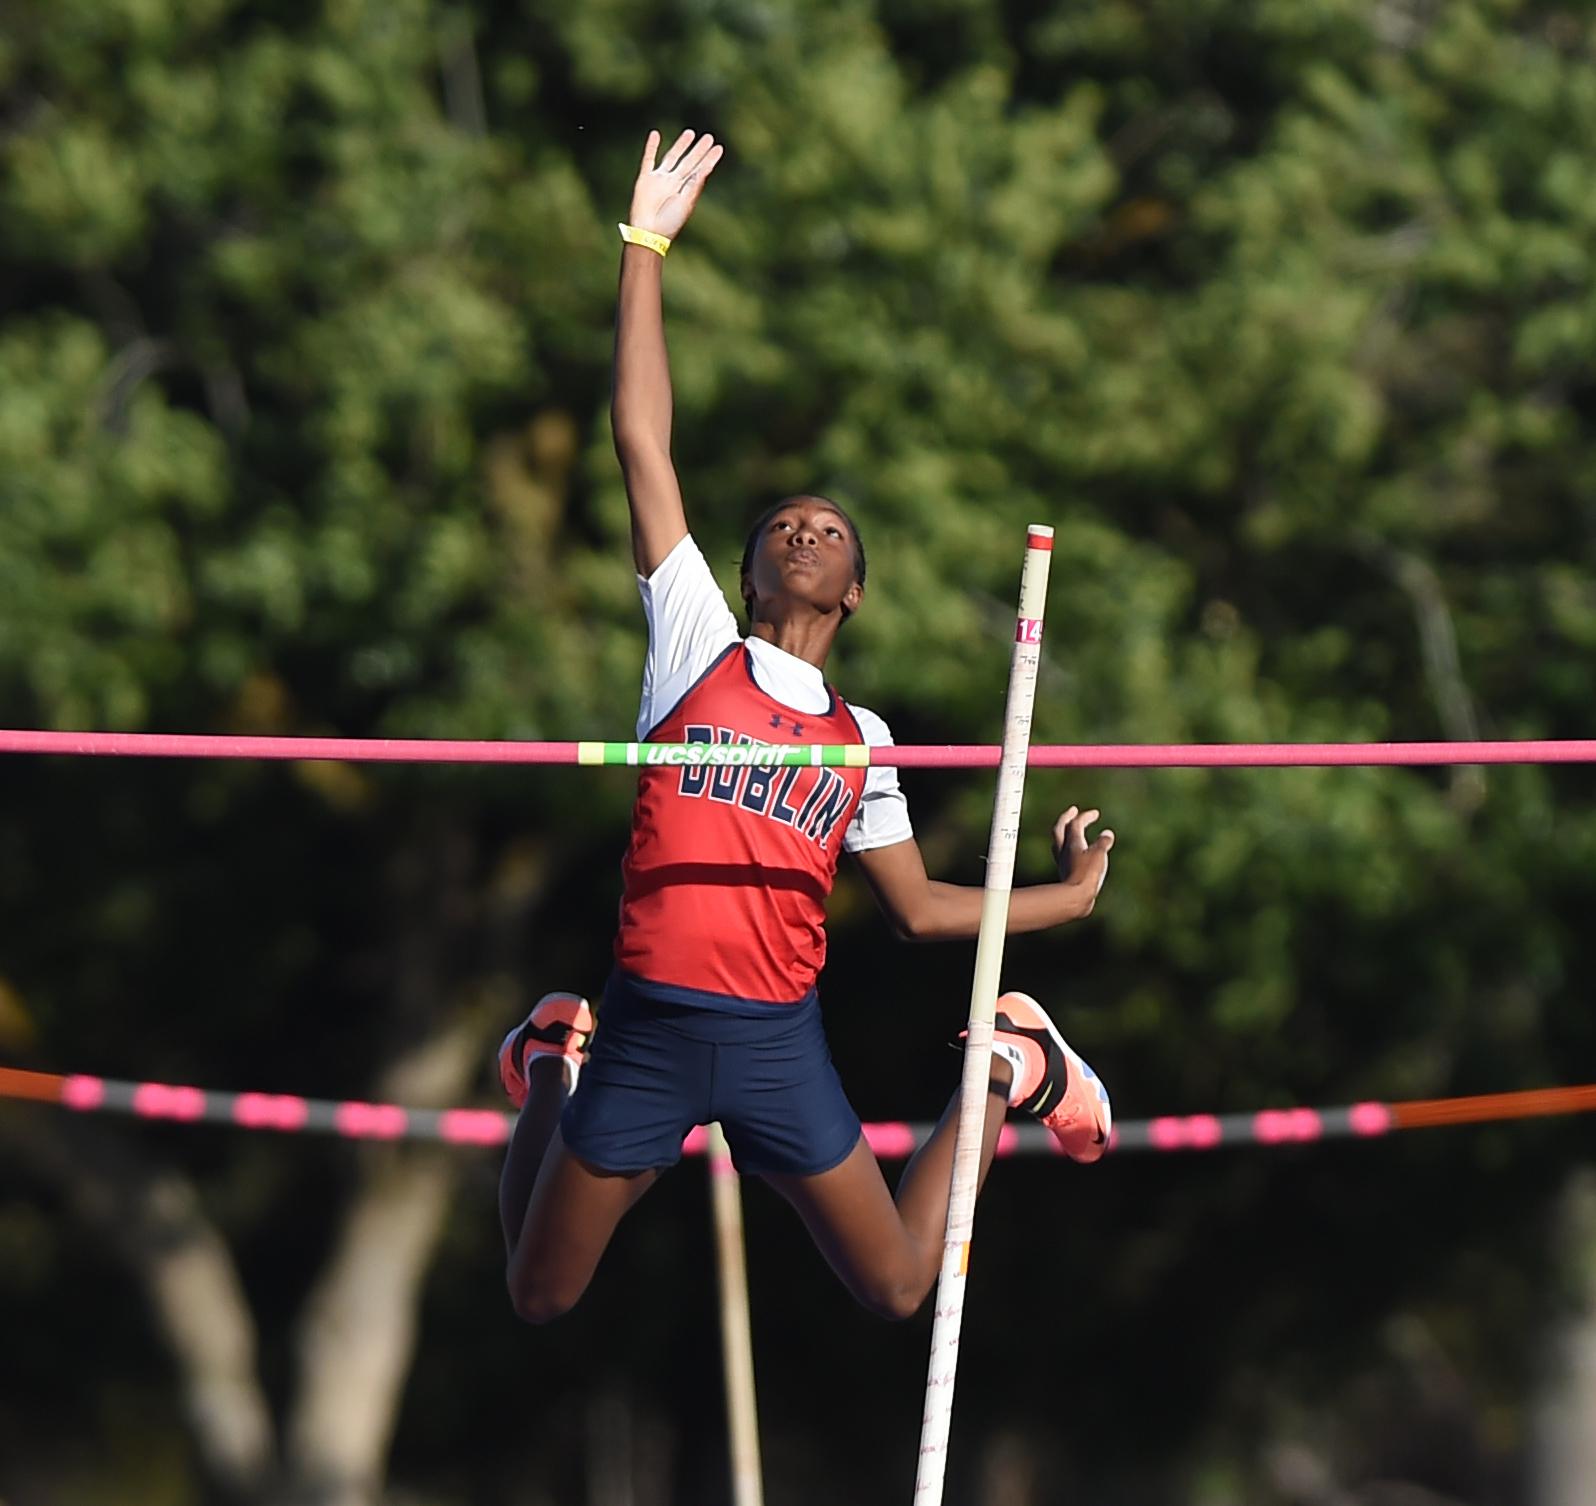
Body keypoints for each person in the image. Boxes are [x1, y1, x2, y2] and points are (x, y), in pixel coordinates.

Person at [496, 128, 1116, 1325]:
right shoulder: (692, 645)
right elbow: (641, 437)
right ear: (744, 569)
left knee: (892, 1284)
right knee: (537, 1291)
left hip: (778, 1043)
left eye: (829, 532)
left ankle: (1007, 1068)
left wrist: (1072, 897)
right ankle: (550, 1066)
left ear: (854, 595)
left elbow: (923, 910)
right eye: (784, 523)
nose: (804, 531)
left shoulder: (861, 736)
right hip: (649, 1028)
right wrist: (644, 249)